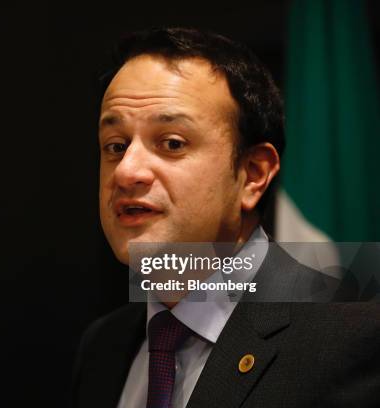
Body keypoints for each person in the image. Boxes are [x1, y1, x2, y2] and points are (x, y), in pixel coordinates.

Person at [71, 27, 380, 408]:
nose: (126, 171)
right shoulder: (103, 346)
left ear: (252, 174)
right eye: (116, 146)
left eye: (172, 143)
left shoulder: (355, 339)